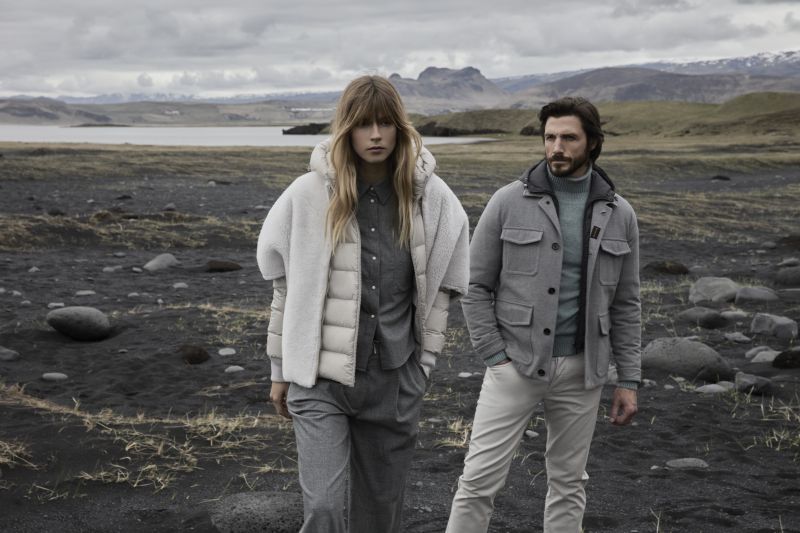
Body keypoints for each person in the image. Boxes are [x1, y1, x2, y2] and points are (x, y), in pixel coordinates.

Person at [256, 75, 469, 533]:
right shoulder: (307, 195)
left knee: (380, 515)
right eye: (363, 124)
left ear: (400, 128)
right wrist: (279, 369)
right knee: (324, 510)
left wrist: (423, 367)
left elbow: (441, 293)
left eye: (385, 123)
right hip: (319, 381)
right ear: (345, 129)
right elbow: (284, 289)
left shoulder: (432, 199)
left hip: (394, 381)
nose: (375, 135)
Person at [446, 96, 641, 533]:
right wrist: (494, 356)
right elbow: (474, 285)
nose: (556, 147)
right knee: (477, 482)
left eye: (568, 138)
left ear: (592, 143)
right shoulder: (507, 201)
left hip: (582, 370)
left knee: (569, 483)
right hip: (514, 364)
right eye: (550, 137)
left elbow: (627, 303)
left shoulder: (620, 214)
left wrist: (628, 379)